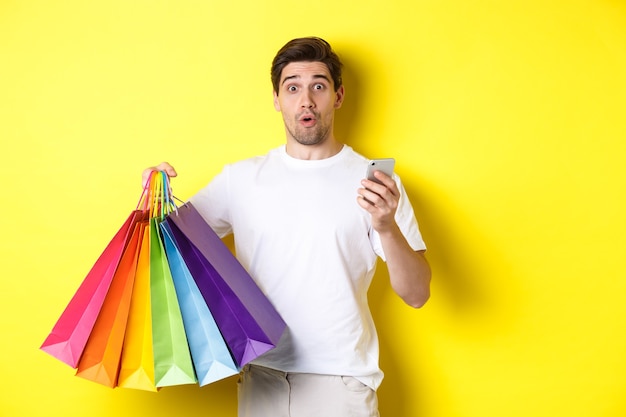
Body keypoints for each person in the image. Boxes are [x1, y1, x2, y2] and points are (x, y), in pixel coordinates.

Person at [143, 37, 431, 417]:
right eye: (293, 87)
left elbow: (416, 294)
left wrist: (387, 226)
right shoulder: (241, 179)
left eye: (319, 86)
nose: (306, 100)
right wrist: (155, 199)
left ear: (338, 96)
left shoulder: (374, 185)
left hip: (342, 384)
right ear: (277, 99)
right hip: (262, 378)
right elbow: (169, 246)